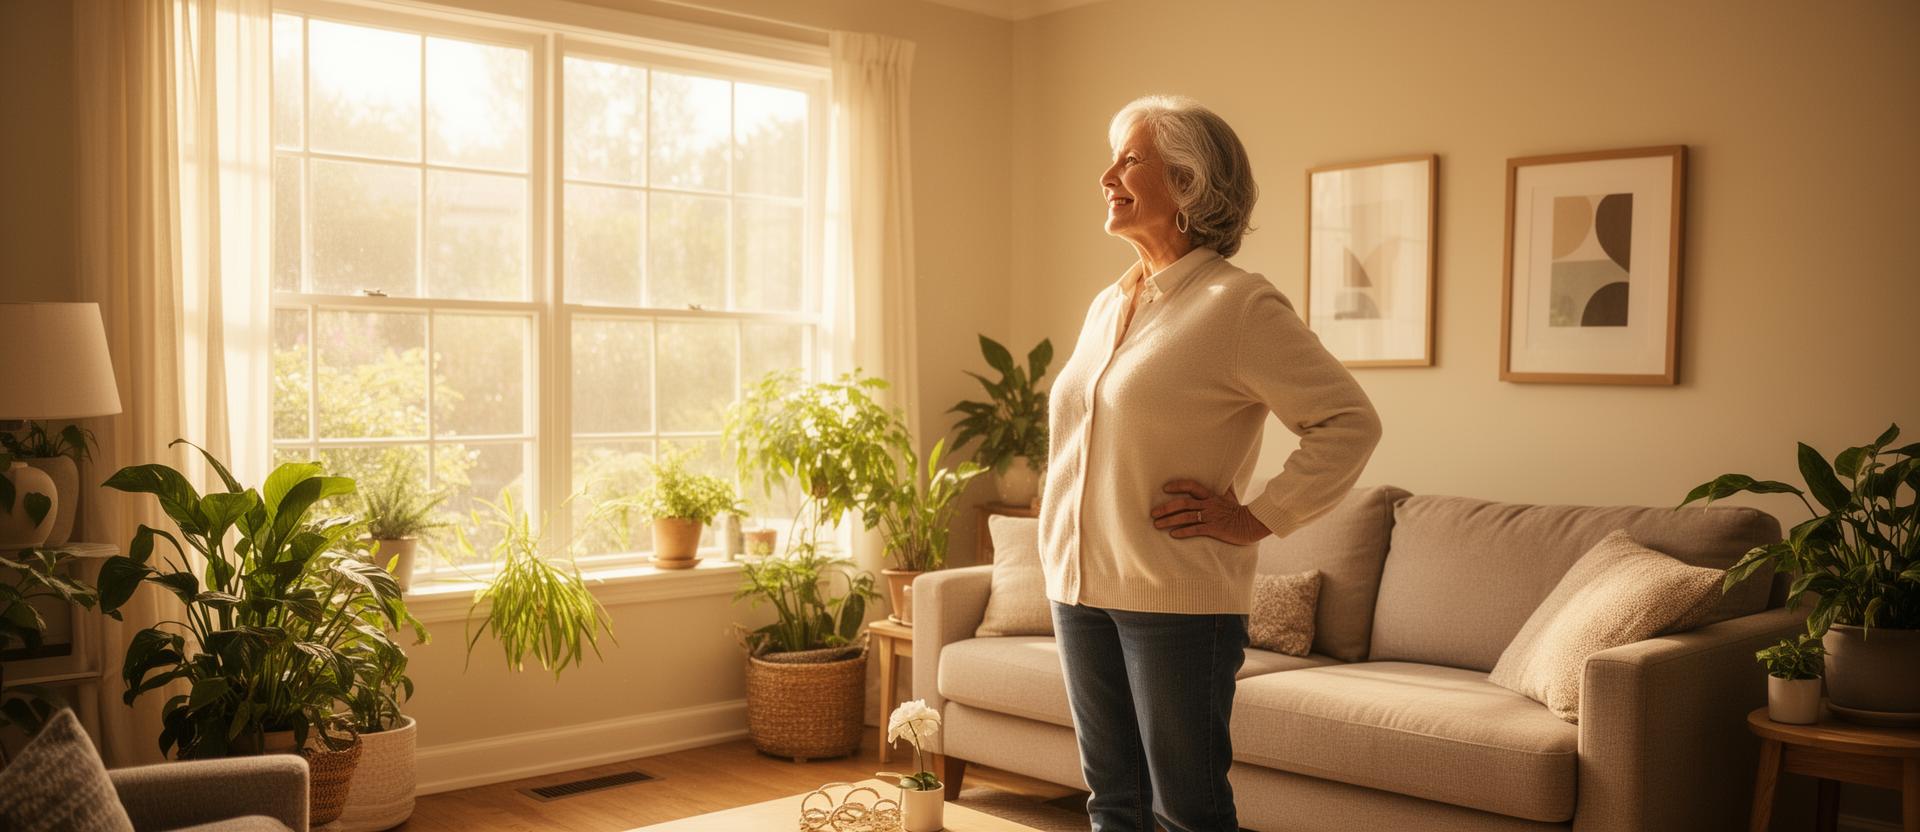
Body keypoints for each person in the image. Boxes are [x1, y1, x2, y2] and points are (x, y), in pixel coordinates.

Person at [1037, 95, 1384, 832]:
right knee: (1112, 806)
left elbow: (1348, 422)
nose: (1107, 174)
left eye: (1131, 159)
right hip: (1076, 588)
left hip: (1175, 603)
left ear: (1190, 184)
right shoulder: (1111, 304)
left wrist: (1256, 516)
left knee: (1187, 812)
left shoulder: (1239, 306)